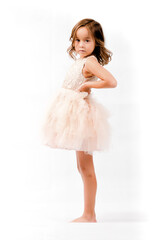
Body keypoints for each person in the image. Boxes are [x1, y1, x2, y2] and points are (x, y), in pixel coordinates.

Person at [40, 18, 117, 223]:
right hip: (73, 114)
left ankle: (89, 215)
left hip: (81, 116)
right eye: (77, 40)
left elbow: (111, 81)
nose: (80, 45)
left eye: (87, 41)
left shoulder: (90, 62)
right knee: (82, 167)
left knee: (86, 168)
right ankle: (88, 213)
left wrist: (85, 87)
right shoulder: (81, 61)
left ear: (96, 43)